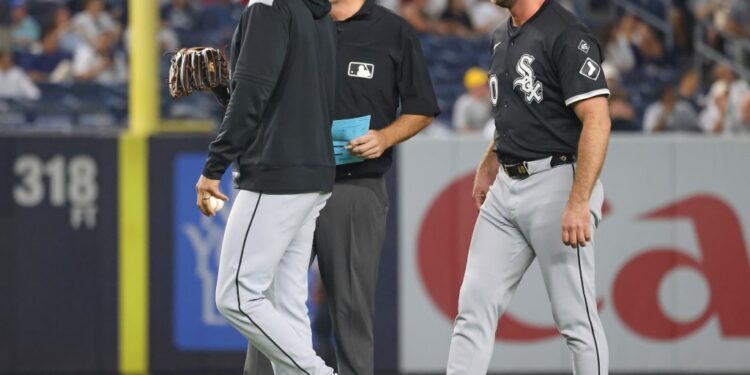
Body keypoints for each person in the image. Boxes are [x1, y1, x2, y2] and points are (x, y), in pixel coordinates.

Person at [243, 0, 439, 374]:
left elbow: (422, 107)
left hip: (353, 185)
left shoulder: (392, 30)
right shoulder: (294, 19)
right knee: (266, 302)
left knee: (351, 311)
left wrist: (384, 137)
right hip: (291, 183)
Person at [446, 0, 611, 374]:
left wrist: (578, 200)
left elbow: (597, 120)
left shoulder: (567, 33)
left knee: (576, 318)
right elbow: (518, 111)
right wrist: (490, 160)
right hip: (506, 185)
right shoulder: (501, 35)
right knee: (473, 307)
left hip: (557, 179)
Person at [194, 0, 338, 373]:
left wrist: (214, 166)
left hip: (276, 172)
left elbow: (253, 94)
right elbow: (280, 92)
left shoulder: (267, 7)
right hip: (311, 171)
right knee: (287, 307)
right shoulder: (314, 12)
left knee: (235, 297)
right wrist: (229, 91)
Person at [453, 67, 492, 133]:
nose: (487, 87)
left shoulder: (489, 99)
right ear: (474, 87)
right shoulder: (463, 102)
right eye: (484, 85)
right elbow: (461, 129)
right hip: (470, 140)